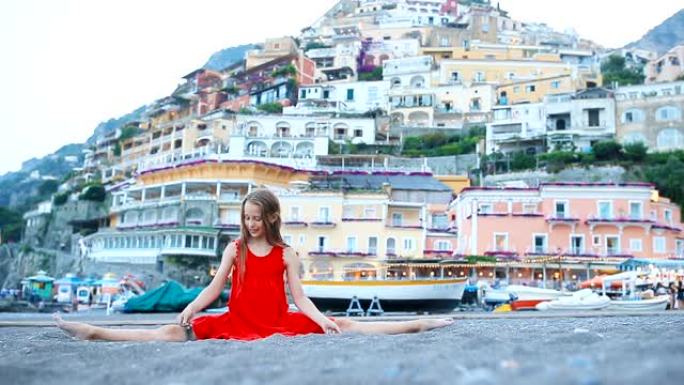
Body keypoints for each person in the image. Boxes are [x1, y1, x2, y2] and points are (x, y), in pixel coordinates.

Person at [55, 189, 453, 342]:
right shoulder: (234, 249)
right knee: (172, 333)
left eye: (256, 218)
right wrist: (192, 307)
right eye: (246, 218)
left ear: (272, 218)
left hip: (277, 323)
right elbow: (214, 290)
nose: (250, 224)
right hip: (238, 321)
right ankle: (94, 331)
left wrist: (322, 320)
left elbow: (301, 298)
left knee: (343, 324)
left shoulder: (286, 254)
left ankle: (417, 323)